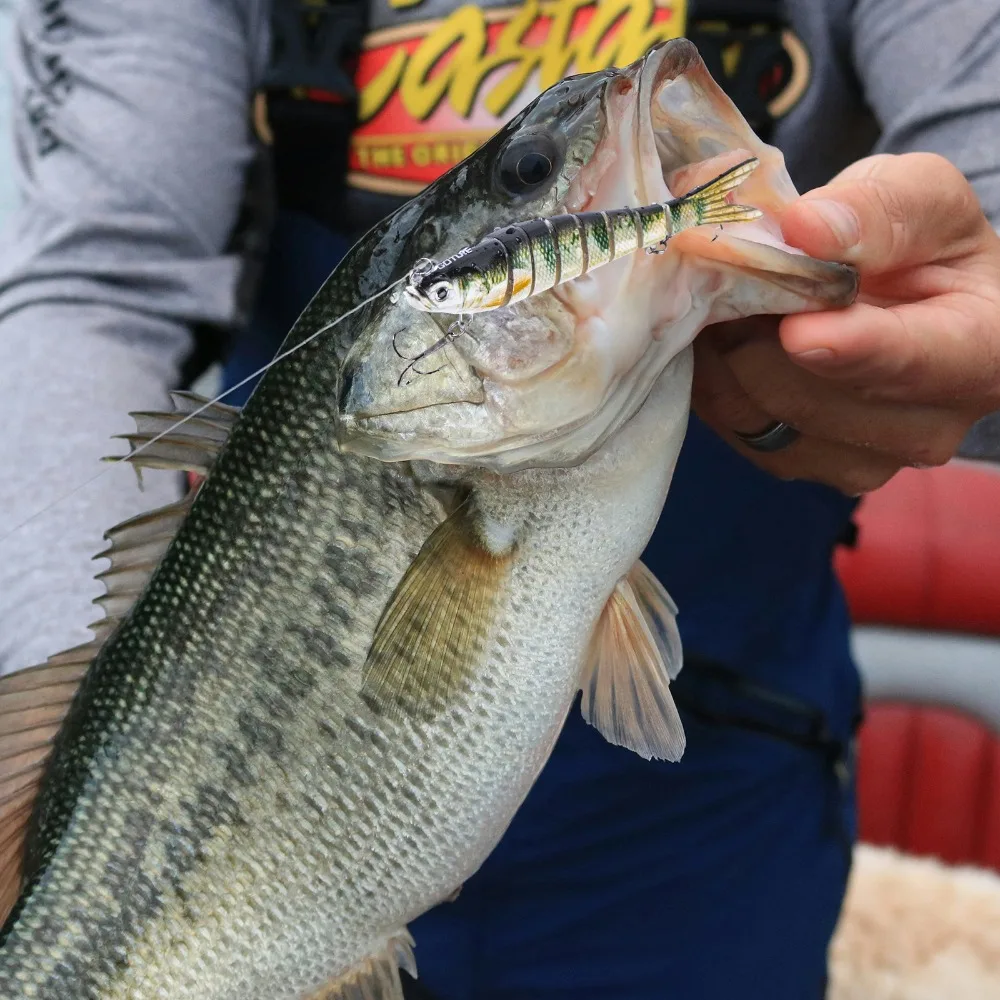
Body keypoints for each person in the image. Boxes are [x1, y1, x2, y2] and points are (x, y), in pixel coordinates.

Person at [0, 1, 999, 997]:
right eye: (529, 178)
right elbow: (98, 279)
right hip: (233, 850)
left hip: (707, 807)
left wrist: (966, 346)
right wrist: (105, 837)